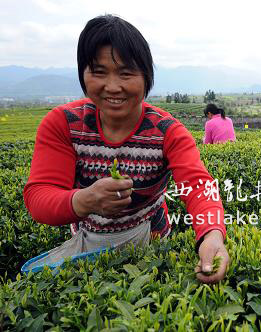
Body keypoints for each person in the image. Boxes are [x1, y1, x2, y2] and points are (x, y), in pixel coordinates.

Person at [22, 14, 229, 284]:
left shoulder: (168, 131)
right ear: (83, 74)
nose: (113, 86)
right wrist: (84, 200)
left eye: (126, 73)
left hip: (151, 242)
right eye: (98, 72)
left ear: (146, 77)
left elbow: (199, 185)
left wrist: (211, 235)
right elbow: (40, 196)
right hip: (88, 243)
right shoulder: (63, 124)